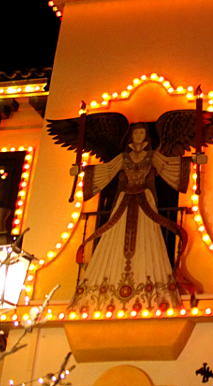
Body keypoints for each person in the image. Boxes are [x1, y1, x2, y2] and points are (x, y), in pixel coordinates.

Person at [71, 124, 186, 312]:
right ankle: (105, 286)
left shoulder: (152, 156)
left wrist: (193, 162)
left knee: (147, 236)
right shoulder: (123, 158)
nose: (139, 135)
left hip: (146, 200)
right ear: (131, 136)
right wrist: (81, 172)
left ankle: (149, 286)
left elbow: (168, 166)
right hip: (124, 200)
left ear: (146, 136)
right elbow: (107, 171)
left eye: (141, 132)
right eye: (135, 133)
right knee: (115, 236)